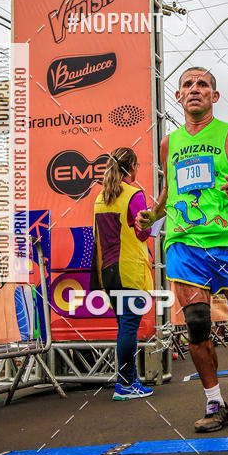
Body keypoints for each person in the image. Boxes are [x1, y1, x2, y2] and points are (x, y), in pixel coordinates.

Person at [136, 66, 228, 432]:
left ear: (214, 96)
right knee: (197, 323)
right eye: (187, 85)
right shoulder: (169, 144)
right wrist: (152, 215)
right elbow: (171, 193)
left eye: (203, 85)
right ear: (178, 97)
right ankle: (215, 403)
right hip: (184, 243)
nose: (194, 89)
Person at [92, 147, 154, 400]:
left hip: (107, 270)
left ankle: (130, 381)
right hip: (129, 268)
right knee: (129, 327)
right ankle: (126, 384)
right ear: (134, 167)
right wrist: (152, 224)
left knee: (123, 326)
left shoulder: (100, 197)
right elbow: (142, 232)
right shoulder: (134, 194)